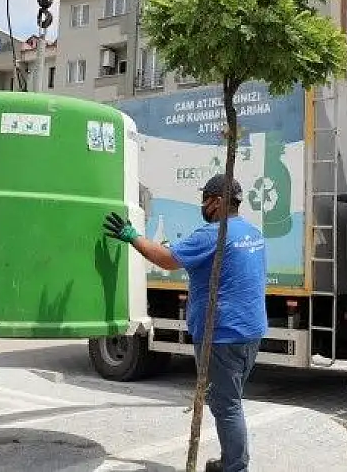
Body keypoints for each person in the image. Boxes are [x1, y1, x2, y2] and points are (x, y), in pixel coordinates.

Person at [102, 173, 268, 472]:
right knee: (228, 400)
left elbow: (167, 259)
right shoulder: (252, 232)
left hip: (223, 333)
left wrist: (132, 236)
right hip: (251, 329)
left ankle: (236, 467)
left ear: (217, 202)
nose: (202, 205)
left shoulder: (213, 234)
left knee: (226, 405)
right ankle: (230, 460)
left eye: (205, 199)